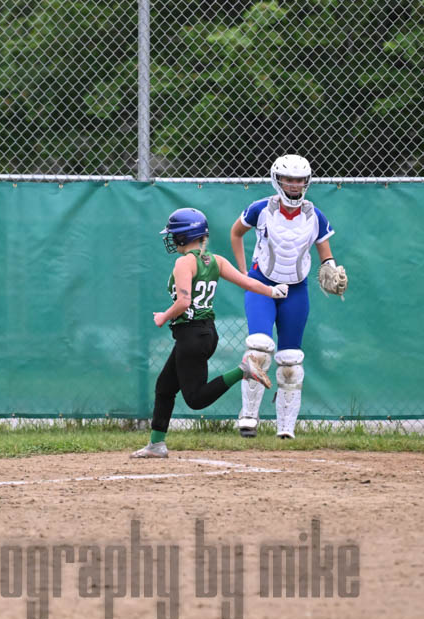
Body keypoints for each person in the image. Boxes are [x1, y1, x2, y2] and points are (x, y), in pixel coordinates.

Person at [131, 208, 290, 459]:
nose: (171, 239)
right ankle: (156, 444)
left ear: (183, 236)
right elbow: (247, 282)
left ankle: (243, 370)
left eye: (173, 234)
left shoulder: (184, 262)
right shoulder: (216, 260)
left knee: (195, 399)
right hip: (205, 333)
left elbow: (183, 303)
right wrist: (273, 291)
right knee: (164, 387)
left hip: (191, 335)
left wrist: (163, 316)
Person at [228, 154, 347, 439]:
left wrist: (331, 269)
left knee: (291, 360)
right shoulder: (261, 209)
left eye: (299, 180)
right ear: (277, 180)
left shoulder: (314, 215)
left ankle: (285, 428)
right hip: (262, 284)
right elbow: (236, 233)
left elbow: (326, 254)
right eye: (288, 180)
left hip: (295, 289)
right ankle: (248, 416)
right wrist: (244, 274)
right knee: (259, 348)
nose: (294, 185)